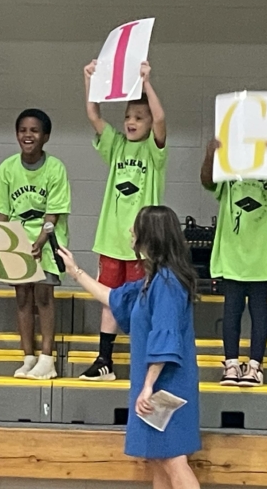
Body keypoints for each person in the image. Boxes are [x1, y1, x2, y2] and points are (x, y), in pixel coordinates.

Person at [59, 206, 201, 489]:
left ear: (150, 235)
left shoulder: (167, 283)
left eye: (136, 227)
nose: (130, 231)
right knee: (158, 458)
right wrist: (75, 271)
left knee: (173, 459)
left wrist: (147, 386)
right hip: (153, 383)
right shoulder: (152, 279)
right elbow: (114, 298)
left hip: (166, 385)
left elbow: (166, 337)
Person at [80, 59, 167, 382]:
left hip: (141, 244)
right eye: (128, 116)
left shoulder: (154, 151)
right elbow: (93, 114)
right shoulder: (116, 145)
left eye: (139, 117)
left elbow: (161, 118)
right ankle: (104, 359)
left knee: (141, 302)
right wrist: (89, 79)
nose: (131, 122)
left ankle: (144, 360)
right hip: (111, 239)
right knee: (109, 300)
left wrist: (146, 82)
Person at [0, 109, 70, 380]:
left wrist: (41, 241)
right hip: (17, 239)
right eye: (22, 130)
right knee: (22, 297)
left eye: (34, 130)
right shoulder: (8, 168)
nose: (27, 135)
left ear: (46, 136)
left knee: (43, 296)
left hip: (46, 240)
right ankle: (28, 357)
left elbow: (53, 215)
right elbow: (1, 210)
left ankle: (47, 358)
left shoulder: (55, 168)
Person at [200, 138, 267, 387]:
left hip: (262, 252)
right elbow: (208, 182)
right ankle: (231, 363)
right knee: (231, 310)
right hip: (233, 251)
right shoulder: (228, 164)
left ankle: (255, 366)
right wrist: (210, 155)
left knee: (259, 309)